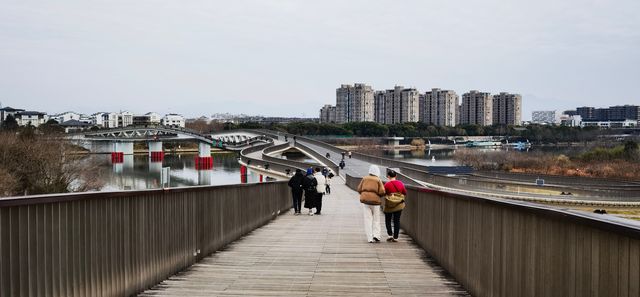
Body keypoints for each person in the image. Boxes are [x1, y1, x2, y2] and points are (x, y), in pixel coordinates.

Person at [357, 165, 385, 243]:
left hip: (366, 201)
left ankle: (369, 238)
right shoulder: (378, 180)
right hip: (375, 202)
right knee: (376, 219)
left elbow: (359, 189)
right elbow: (382, 191)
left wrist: (364, 194)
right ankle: (376, 235)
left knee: (368, 220)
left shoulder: (364, 178)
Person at [383, 170, 407, 242]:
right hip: (398, 205)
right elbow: (404, 192)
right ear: (396, 176)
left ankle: (390, 235)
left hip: (389, 205)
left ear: (388, 176)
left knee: (388, 220)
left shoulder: (387, 184)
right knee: (397, 221)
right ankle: (396, 237)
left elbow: (384, 193)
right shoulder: (400, 183)